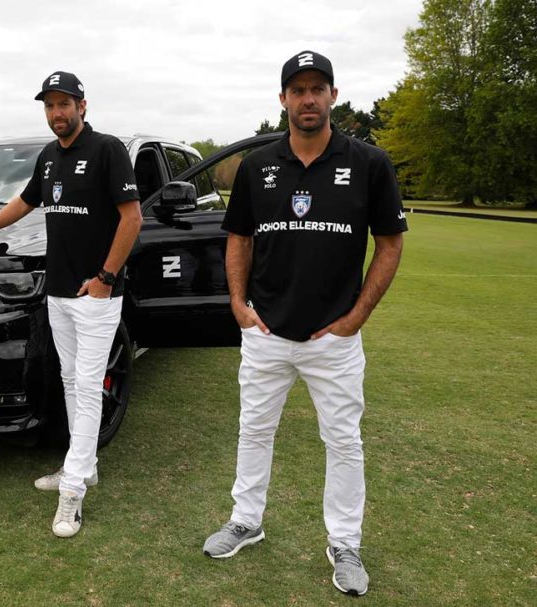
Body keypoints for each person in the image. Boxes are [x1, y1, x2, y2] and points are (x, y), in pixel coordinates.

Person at [202, 51, 407, 596]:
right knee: (254, 431)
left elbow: (389, 245)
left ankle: (345, 542)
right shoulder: (258, 166)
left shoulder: (368, 163)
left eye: (318, 88)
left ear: (333, 96)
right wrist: (239, 305)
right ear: (283, 99)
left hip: (333, 338)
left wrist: (355, 317)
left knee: (343, 442)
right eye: (298, 90)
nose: (308, 98)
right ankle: (247, 521)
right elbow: (239, 239)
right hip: (266, 332)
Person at [0, 71, 141, 537]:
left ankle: (73, 491)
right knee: (70, 380)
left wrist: (106, 277)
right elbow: (25, 202)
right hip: (60, 291)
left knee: (88, 385)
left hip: (97, 293)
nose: (57, 114)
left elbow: (132, 218)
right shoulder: (49, 158)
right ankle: (81, 466)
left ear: (82, 106)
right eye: (49, 106)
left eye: (64, 104)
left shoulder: (107, 150)